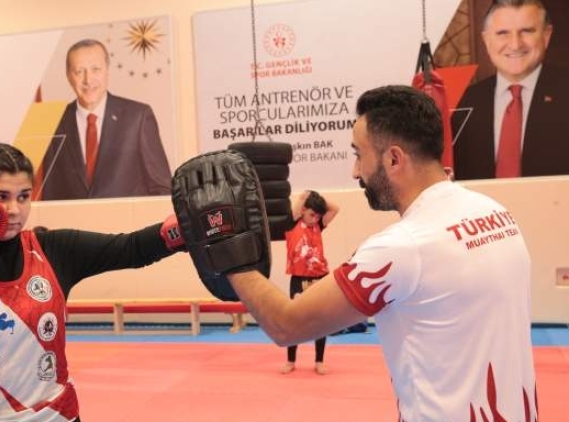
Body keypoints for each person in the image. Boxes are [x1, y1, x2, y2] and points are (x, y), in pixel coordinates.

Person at [220, 85, 537, 420]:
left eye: (359, 155)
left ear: (394, 159)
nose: (355, 172)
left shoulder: (401, 247)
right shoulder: (496, 213)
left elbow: (286, 325)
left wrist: (226, 247)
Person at [0, 142, 183, 421]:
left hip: (45, 415)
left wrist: (185, 228)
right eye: (0, 196)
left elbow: (131, 248)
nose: (14, 209)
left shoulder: (52, 250)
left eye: (24, 196)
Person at [39, 38, 172, 200]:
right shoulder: (54, 122)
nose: (88, 80)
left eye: (96, 69)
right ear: (68, 76)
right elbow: (50, 194)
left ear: (107, 70)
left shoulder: (138, 117)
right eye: (79, 71)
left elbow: (162, 190)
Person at [452, 0, 569, 179]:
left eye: (526, 31)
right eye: (502, 33)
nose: (515, 44)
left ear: (546, 35)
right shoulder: (462, 101)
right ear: (486, 40)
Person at [280, 190, 339, 375]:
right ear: (303, 210)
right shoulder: (291, 224)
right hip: (298, 278)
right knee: (294, 319)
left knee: (320, 320)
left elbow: (335, 208)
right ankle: (290, 360)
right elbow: (299, 203)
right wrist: (306, 195)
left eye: (318, 216)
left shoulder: (319, 226)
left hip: (319, 277)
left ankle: (319, 361)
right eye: (312, 215)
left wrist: (316, 196)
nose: (315, 219)